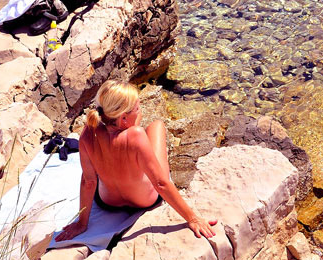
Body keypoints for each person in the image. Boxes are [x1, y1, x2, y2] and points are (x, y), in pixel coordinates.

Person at [55, 81, 216, 242]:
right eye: (138, 109)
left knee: (131, 142)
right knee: (156, 126)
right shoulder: (136, 135)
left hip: (107, 202)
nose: (141, 112)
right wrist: (193, 218)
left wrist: (82, 223)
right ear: (123, 117)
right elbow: (160, 183)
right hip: (145, 201)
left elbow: (88, 181)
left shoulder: (89, 132)